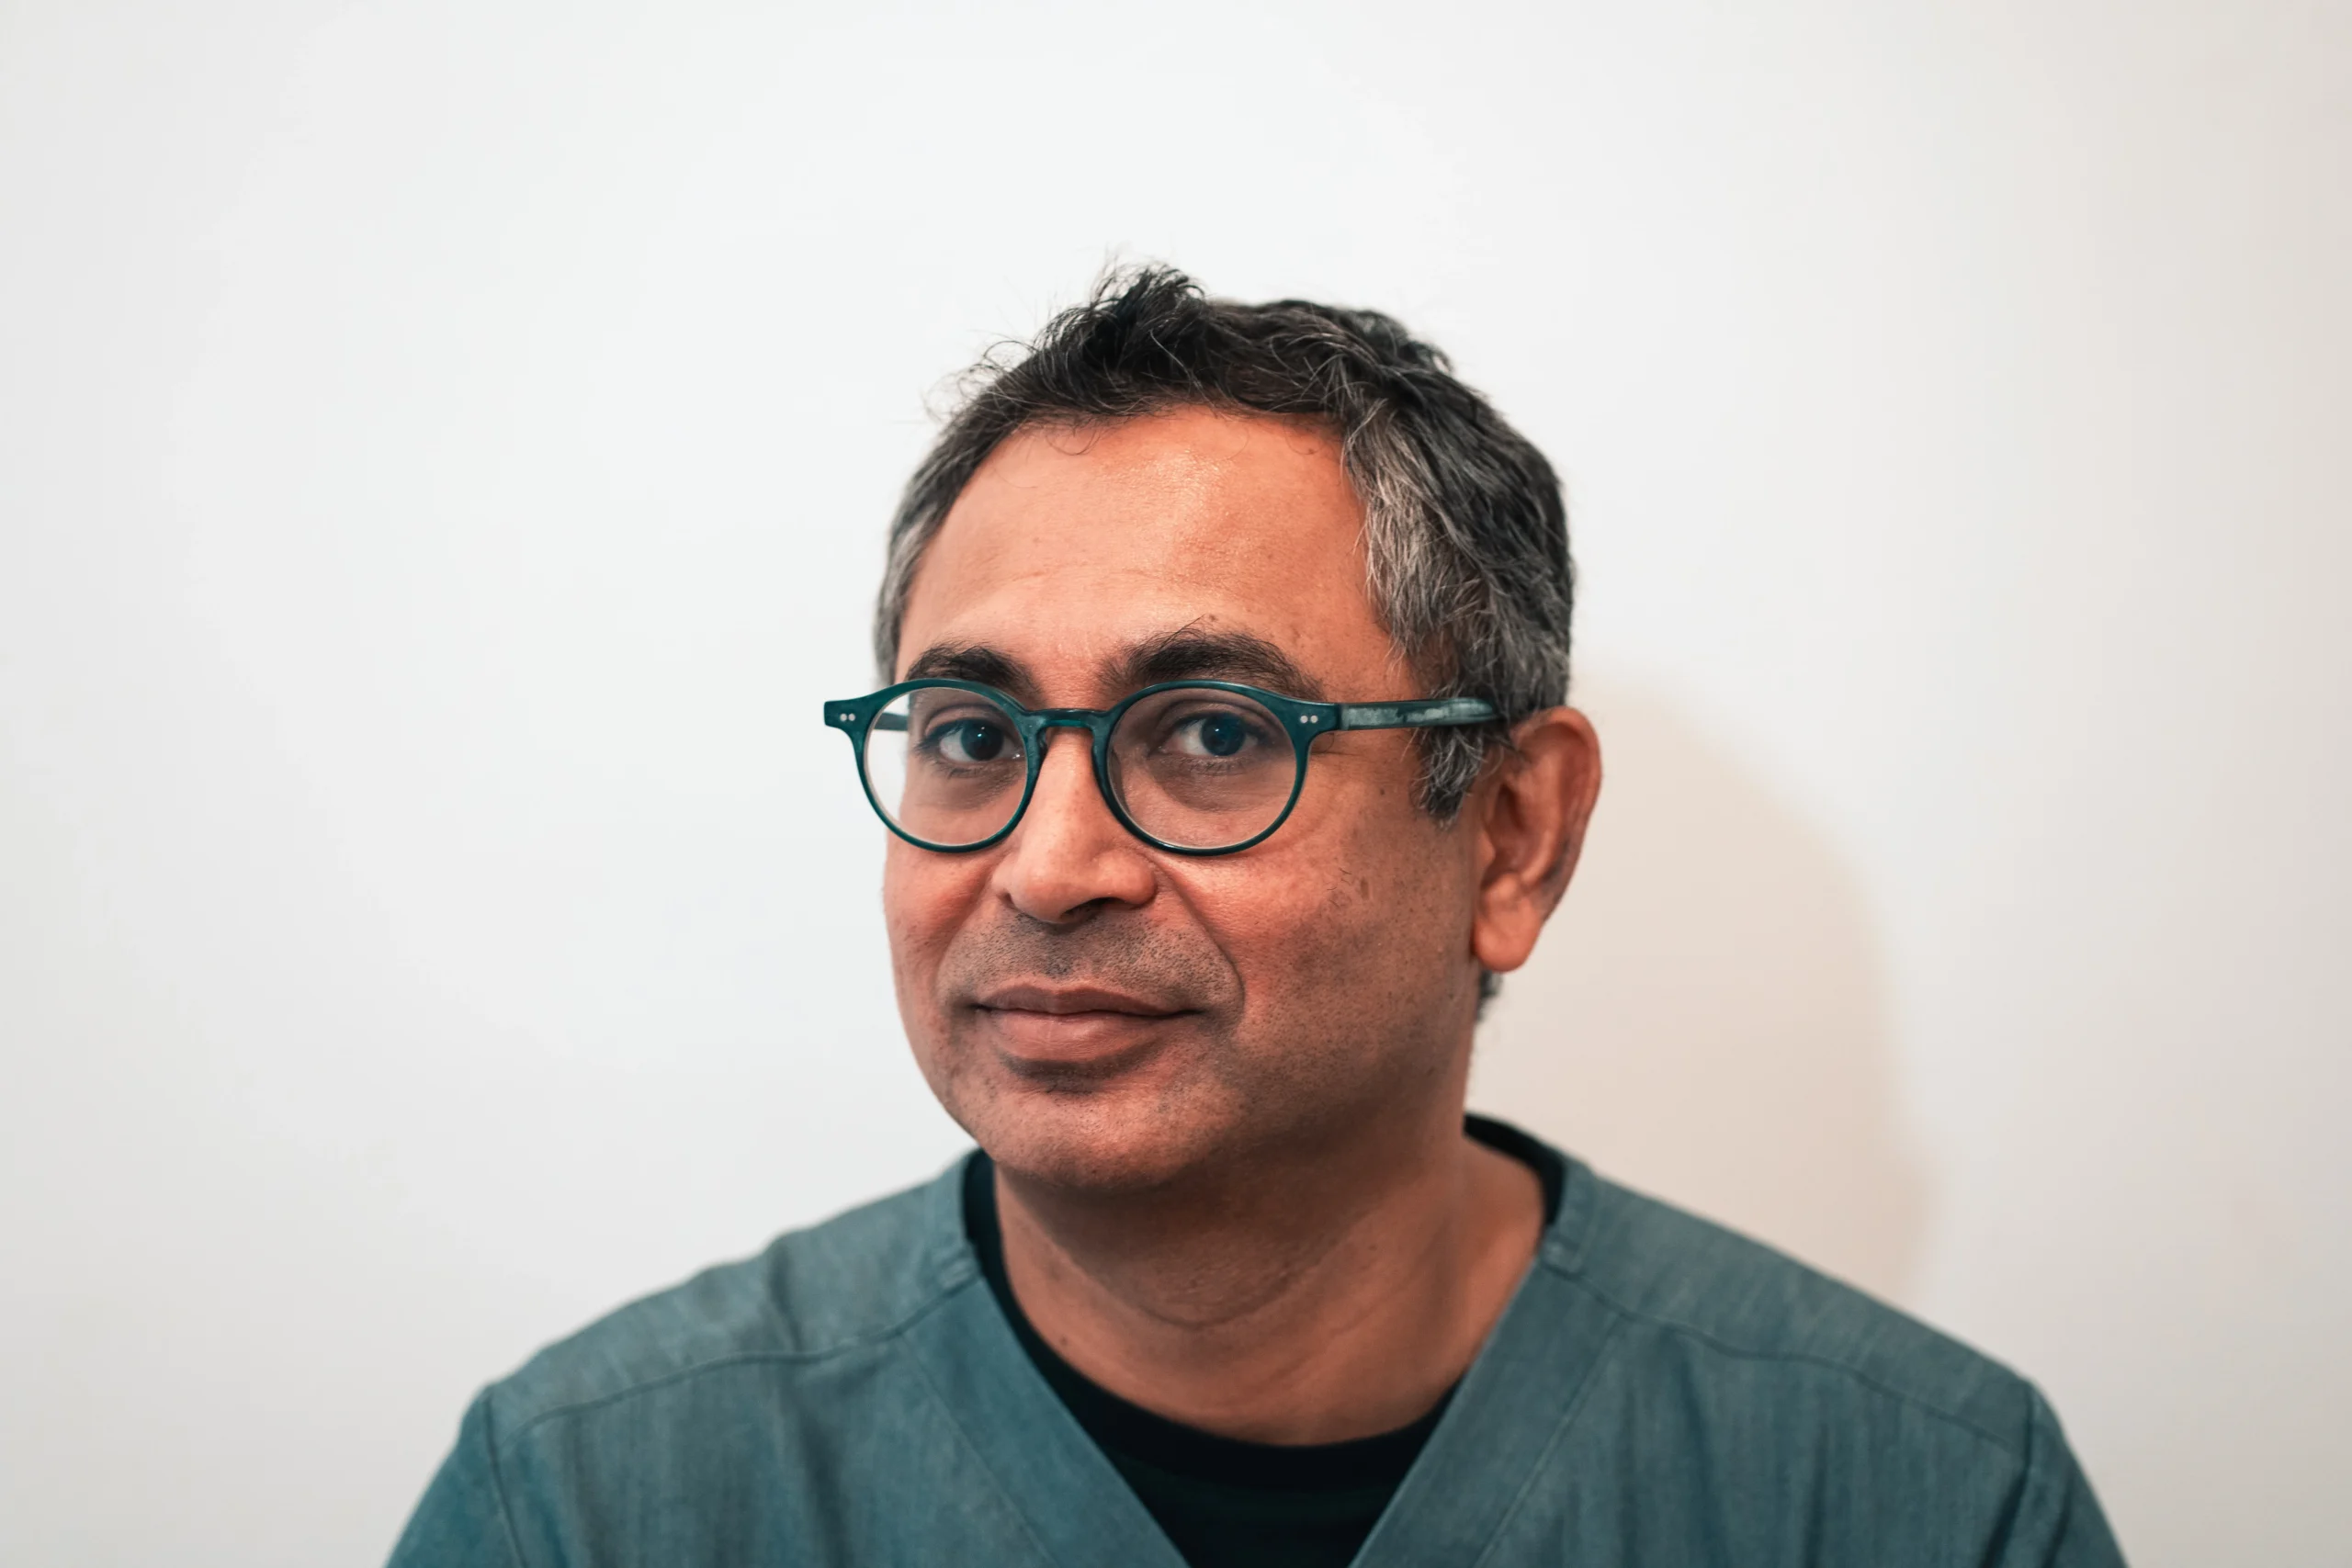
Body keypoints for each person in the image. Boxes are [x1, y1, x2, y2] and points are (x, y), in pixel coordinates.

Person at [389, 268, 2125, 1567]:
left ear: (1511, 836)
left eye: (1216, 735)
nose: (1049, 866)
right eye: (974, 737)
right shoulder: (590, 1501)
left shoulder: (1922, 1500)